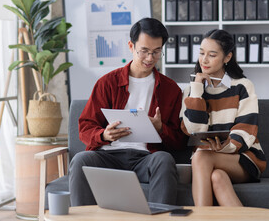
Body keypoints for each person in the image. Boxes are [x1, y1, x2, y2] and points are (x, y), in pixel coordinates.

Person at [69, 17, 187, 206]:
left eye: (156, 52)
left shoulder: (171, 89)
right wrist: (104, 135)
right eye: (144, 51)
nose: (150, 58)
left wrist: (160, 128)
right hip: (107, 156)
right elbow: (85, 126)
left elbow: (180, 141)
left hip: (145, 158)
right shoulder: (107, 83)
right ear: (131, 46)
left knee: (164, 160)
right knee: (81, 160)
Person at [180, 29, 266, 206]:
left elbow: (246, 129)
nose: (204, 60)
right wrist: (197, 90)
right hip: (209, 159)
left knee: (201, 156)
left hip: (242, 158)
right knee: (217, 177)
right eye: (202, 53)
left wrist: (226, 146)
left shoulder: (242, 86)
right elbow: (194, 131)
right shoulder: (192, 91)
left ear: (227, 58)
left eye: (212, 55)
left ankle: (200, 219)